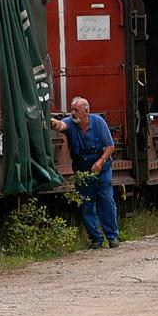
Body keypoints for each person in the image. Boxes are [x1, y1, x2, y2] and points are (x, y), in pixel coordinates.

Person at [51, 96, 120, 249]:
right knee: (87, 205)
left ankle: (112, 237)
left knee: (107, 201)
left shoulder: (99, 123)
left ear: (86, 111)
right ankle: (95, 239)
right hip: (82, 171)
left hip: (102, 169)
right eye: (72, 110)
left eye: (77, 110)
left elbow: (110, 146)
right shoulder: (70, 123)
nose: (73, 113)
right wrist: (51, 122)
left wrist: (101, 161)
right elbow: (60, 126)